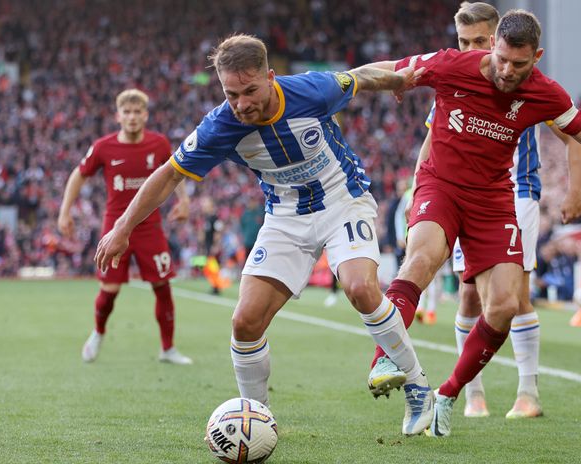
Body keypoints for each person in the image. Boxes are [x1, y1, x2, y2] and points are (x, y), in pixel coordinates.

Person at [365, 9, 581, 437]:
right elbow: (388, 68)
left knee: (504, 306)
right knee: (421, 260)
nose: (506, 71)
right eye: (501, 59)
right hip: (440, 186)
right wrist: (338, 85)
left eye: (518, 64)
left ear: (536, 57)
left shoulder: (545, 93)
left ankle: (447, 394)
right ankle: (384, 360)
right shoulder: (453, 65)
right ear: (493, 45)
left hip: (493, 200)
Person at [94, 35, 435, 436]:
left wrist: (396, 80)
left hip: (343, 200)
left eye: (250, 91)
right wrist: (122, 227)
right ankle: (257, 420)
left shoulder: (311, 90)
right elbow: (169, 175)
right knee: (245, 321)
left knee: (360, 287)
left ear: (270, 77)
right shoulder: (220, 126)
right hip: (285, 218)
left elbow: (358, 77)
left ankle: (418, 386)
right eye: (231, 94)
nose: (241, 104)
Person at [410, 1, 581, 419]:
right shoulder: (458, 80)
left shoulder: (530, 86)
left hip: (517, 193)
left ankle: (528, 392)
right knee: (469, 294)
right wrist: (417, 191)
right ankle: (473, 394)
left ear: (496, 39)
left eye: (479, 41)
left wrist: (575, 191)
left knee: (515, 295)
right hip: (460, 193)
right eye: (463, 42)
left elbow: (577, 136)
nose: (471, 49)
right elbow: (431, 143)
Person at [58, 89, 193, 364]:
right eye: (127, 112)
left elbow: (175, 171)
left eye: (137, 112)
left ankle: (168, 349)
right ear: (118, 116)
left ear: (145, 115)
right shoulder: (103, 147)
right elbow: (78, 175)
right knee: (109, 289)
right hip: (115, 226)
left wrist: (184, 200)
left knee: (162, 285)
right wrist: (64, 212)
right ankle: (98, 332)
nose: (132, 117)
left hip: (150, 226)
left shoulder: (158, 143)